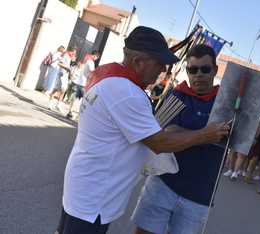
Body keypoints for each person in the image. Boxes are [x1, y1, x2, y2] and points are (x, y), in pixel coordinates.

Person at [55, 26, 229, 234]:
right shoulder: (126, 92)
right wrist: (205, 134)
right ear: (137, 62)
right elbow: (160, 142)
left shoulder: (109, 78)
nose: (163, 70)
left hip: (87, 186)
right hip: (95, 195)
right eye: (159, 63)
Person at [131, 44, 225, 234]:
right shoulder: (176, 95)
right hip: (164, 183)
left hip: (200, 194)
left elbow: (245, 140)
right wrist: (207, 134)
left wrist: (185, 134)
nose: (199, 74)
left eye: (205, 69)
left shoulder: (225, 103)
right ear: (187, 71)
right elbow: (168, 133)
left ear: (215, 70)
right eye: (193, 69)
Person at [66, 50, 100, 119]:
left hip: (79, 81)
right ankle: (79, 116)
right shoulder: (90, 61)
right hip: (85, 83)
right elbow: (92, 72)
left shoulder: (85, 60)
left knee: (76, 98)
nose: (96, 59)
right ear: (95, 56)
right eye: (96, 58)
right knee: (84, 101)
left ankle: (70, 112)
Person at [48, 44, 78, 112]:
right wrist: (66, 67)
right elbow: (59, 63)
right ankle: (50, 103)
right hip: (61, 73)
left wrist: (69, 68)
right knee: (56, 89)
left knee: (63, 90)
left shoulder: (70, 57)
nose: (75, 52)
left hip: (65, 74)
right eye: (75, 51)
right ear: (73, 50)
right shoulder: (66, 55)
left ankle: (58, 104)